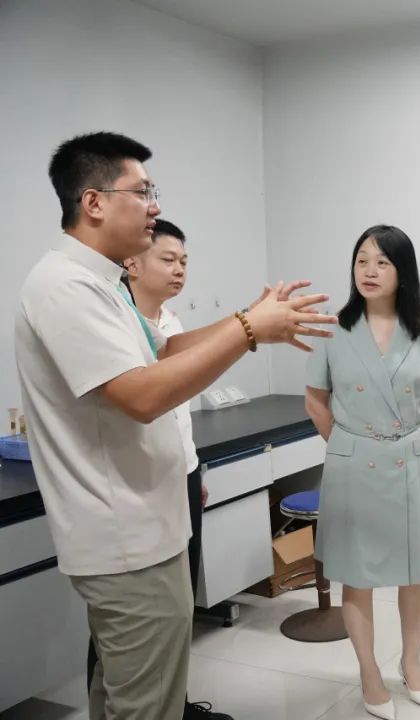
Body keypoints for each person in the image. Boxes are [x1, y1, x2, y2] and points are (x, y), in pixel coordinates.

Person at [15, 131, 336, 720]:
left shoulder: (104, 284)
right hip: (125, 537)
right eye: (142, 192)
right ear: (94, 202)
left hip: (145, 525)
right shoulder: (65, 286)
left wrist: (249, 320)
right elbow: (141, 396)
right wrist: (248, 332)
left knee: (126, 694)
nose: (155, 205)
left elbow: (164, 351)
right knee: (149, 705)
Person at [83, 219, 227, 720]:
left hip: (179, 474)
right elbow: (141, 402)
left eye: (184, 261)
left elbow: (178, 412)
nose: (179, 269)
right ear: (132, 263)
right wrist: (248, 330)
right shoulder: (115, 324)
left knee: (178, 608)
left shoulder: (173, 323)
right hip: (133, 490)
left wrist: (194, 469)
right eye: (168, 259)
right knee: (126, 626)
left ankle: (175, 703)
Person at [305, 224, 420, 720]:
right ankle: (368, 672)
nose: (369, 270)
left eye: (382, 261)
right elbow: (315, 401)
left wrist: (400, 441)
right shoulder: (332, 329)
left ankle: (411, 663)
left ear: (402, 271)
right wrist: (350, 446)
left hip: (409, 460)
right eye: (362, 259)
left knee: (414, 572)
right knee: (356, 574)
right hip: (353, 464)